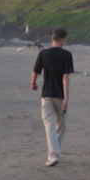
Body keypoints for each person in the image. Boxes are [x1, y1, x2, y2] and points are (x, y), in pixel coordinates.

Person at [31, 28, 74, 167]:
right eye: (65, 39)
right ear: (61, 39)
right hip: (60, 96)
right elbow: (65, 77)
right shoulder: (67, 55)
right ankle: (54, 154)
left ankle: (54, 153)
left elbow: (35, 71)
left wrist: (33, 83)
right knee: (59, 125)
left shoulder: (44, 53)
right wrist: (67, 97)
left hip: (47, 94)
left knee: (51, 124)